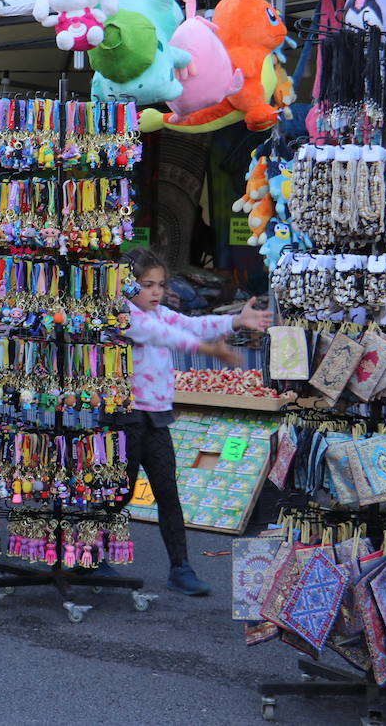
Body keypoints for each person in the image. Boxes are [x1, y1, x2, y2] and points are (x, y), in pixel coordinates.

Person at [119, 248, 272, 595]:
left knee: (168, 493)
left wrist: (235, 321)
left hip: (156, 414)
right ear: (129, 287)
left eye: (160, 284)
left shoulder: (158, 313)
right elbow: (166, 338)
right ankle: (92, 554)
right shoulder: (125, 316)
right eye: (148, 285)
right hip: (126, 416)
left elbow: (191, 324)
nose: (156, 292)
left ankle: (180, 567)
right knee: (119, 493)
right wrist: (210, 351)